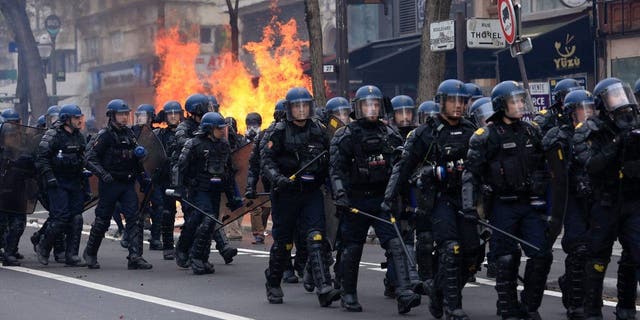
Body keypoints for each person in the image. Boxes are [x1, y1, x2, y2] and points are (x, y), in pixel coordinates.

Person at [385, 79, 476, 319]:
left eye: (462, 101)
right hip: (437, 198)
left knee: (473, 254)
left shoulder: (471, 130)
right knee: (450, 249)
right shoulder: (425, 133)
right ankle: (452, 306)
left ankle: (437, 291)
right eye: (452, 101)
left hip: (466, 198)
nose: (457, 106)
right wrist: (390, 197)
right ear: (441, 102)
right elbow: (404, 167)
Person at [462, 81, 552, 320]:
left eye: (521, 100)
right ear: (502, 106)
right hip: (502, 205)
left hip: (529, 204)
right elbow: (471, 174)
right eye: (514, 101)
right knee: (506, 258)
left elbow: (545, 166)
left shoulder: (532, 130)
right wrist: (470, 206)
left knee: (542, 255)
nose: (520, 105)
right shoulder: (485, 136)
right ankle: (507, 307)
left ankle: (529, 306)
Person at [331, 84, 421, 313]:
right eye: (366, 105)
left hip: (382, 199)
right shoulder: (346, 135)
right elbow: (336, 169)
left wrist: (397, 197)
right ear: (358, 108)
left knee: (394, 244)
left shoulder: (389, 133)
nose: (371, 109)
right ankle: (348, 293)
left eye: (375, 105)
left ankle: (403, 292)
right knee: (352, 248)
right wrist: (341, 194)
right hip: (355, 201)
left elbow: (400, 167)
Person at [261, 87, 341, 306]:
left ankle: (324, 286)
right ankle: (274, 283)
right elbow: (266, 161)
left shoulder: (319, 130)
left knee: (316, 237)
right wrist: (278, 179)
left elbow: (331, 161)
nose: (301, 110)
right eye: (297, 106)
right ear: (289, 109)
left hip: (311, 193)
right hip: (286, 194)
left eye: (305, 105)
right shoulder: (277, 132)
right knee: (284, 243)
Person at [572, 77, 640, 320]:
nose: (621, 102)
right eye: (614, 97)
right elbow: (591, 164)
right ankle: (592, 310)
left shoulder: (635, 124)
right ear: (602, 103)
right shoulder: (588, 130)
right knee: (598, 256)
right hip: (605, 202)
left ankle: (626, 308)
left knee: (635, 254)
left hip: (633, 202)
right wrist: (617, 142)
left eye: (623, 95)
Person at [83, 99, 152, 270]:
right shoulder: (105, 135)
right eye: (121, 114)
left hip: (127, 183)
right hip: (110, 183)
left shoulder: (129, 135)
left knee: (134, 219)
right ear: (112, 116)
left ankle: (135, 256)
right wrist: (103, 174)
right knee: (102, 220)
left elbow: (137, 161)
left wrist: (143, 179)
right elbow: (89, 158)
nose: (124, 117)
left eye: (126, 114)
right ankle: (90, 253)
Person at [171, 94, 238, 267]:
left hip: (212, 185)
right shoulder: (187, 132)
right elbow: (180, 163)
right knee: (201, 220)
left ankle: (199, 255)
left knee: (207, 219)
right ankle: (191, 254)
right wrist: (201, 143)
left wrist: (233, 197)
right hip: (194, 185)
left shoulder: (221, 143)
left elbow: (228, 172)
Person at [34, 104, 87, 267]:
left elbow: (84, 157)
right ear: (66, 120)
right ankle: (43, 248)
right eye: (76, 118)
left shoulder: (79, 136)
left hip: (74, 181)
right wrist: (49, 177)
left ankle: (72, 255)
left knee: (76, 218)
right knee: (60, 218)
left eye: (80, 117)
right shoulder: (52, 135)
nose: (79, 121)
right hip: (57, 182)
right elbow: (41, 158)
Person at [153, 100, 183, 260]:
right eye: (169, 113)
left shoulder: (187, 132)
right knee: (167, 212)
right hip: (166, 179)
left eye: (175, 113)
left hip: (184, 179)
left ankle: (186, 246)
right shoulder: (160, 135)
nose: (172, 116)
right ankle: (168, 246)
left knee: (192, 212)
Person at [0, 109, 30, 266]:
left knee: (19, 223)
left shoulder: (24, 145)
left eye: (17, 122)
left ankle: (10, 251)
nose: (16, 128)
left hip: (17, 190)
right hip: (2, 192)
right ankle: (5, 250)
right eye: (12, 123)